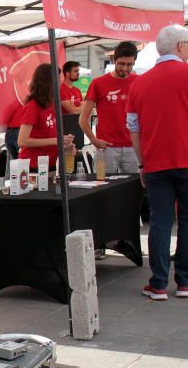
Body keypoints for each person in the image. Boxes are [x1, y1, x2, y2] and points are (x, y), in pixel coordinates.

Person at [126, 24, 188, 301]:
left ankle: (159, 283)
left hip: (156, 163)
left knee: (160, 221)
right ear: (180, 46)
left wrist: (142, 164)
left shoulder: (139, 82)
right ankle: (185, 282)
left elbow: (133, 129)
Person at [79, 42, 140, 172]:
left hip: (133, 147)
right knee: (103, 188)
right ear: (114, 60)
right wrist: (93, 139)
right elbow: (83, 119)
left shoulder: (139, 82)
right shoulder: (98, 83)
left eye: (129, 64)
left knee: (134, 190)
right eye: (121, 64)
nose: (125, 68)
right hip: (107, 147)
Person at [18, 63, 75, 170]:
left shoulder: (53, 104)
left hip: (50, 163)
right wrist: (56, 140)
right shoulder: (32, 106)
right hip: (32, 165)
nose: (59, 84)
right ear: (47, 82)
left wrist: (66, 145)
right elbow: (22, 141)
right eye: (57, 81)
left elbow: (50, 135)